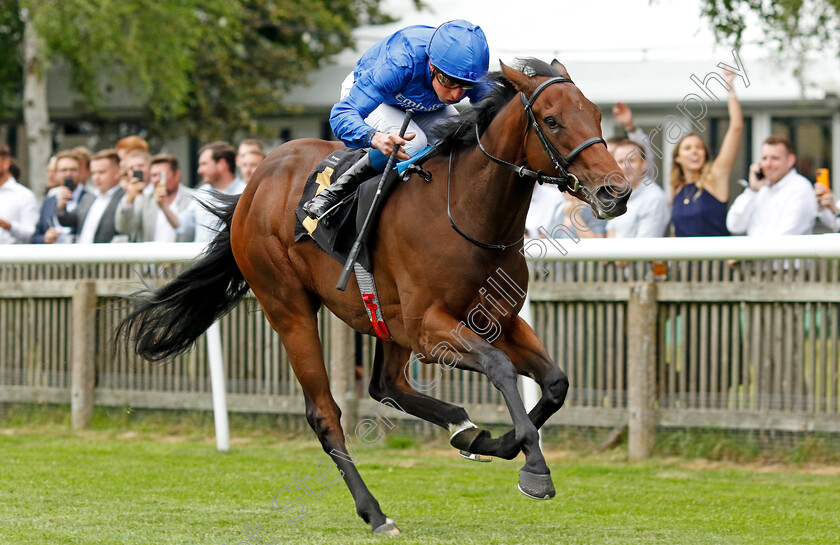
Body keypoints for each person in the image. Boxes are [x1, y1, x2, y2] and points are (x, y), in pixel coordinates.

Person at [303, 19, 490, 225]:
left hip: (420, 106)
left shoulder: (469, 71)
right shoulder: (400, 62)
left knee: (460, 137)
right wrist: (375, 138)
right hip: (371, 97)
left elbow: (499, 110)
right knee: (413, 142)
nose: (456, 94)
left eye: (466, 86)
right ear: (431, 64)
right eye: (448, 81)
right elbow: (341, 114)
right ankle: (333, 193)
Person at [671, 70, 743, 237]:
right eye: (688, 148)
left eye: (699, 147)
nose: (695, 151)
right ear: (678, 159)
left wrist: (729, 85)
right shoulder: (676, 188)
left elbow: (736, 127)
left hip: (716, 262)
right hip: (687, 262)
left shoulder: (715, 177)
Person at [726, 136, 817, 236]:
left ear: (790, 160)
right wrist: (752, 190)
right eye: (764, 158)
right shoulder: (758, 189)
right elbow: (734, 226)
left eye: (775, 158)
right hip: (756, 250)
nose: (768, 164)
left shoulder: (801, 188)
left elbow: (786, 235)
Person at [115, 154, 195, 242]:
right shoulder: (144, 198)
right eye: (153, 175)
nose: (157, 179)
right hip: (150, 255)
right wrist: (128, 201)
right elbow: (124, 228)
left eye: (162, 175)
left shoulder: (193, 198)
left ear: (177, 174)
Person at [176, 141, 245, 243]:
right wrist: (162, 204)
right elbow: (183, 225)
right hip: (203, 258)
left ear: (221, 164)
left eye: (204, 164)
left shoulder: (245, 194)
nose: (199, 170)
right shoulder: (203, 192)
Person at [56, 149, 125, 243]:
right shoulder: (89, 197)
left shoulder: (124, 198)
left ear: (117, 172)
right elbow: (69, 221)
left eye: (101, 172)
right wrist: (61, 206)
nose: (96, 178)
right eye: (94, 173)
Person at [606, 139, 670, 238]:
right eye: (620, 161)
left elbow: (645, 249)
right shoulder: (618, 197)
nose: (626, 166)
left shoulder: (655, 199)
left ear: (643, 164)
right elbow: (611, 236)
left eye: (631, 160)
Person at [32, 150, 87, 244]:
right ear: (56, 174)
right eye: (63, 170)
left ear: (81, 172)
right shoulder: (48, 201)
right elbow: (34, 238)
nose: (68, 174)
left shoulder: (90, 199)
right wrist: (45, 238)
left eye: (73, 169)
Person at [0, 143, 39, 244]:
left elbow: (32, 234)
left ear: (6, 163)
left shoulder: (24, 195)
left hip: (12, 257)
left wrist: (7, 225)